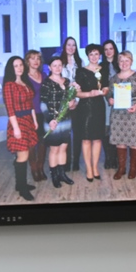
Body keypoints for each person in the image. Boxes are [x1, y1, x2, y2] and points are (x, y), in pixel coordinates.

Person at [3, 55, 40, 201]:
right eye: (16, 66)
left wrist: (34, 120)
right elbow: (10, 108)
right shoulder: (9, 85)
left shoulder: (25, 82)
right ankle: (22, 188)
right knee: (23, 155)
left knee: (26, 153)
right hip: (17, 121)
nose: (19, 68)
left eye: (21, 65)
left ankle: (20, 184)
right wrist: (16, 128)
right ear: (11, 69)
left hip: (28, 120)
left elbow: (31, 104)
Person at [108, 50, 136, 180]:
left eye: (127, 60)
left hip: (135, 113)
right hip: (118, 115)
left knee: (135, 141)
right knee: (120, 141)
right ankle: (121, 168)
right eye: (121, 61)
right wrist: (110, 100)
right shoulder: (113, 79)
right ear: (118, 62)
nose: (124, 63)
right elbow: (109, 94)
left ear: (131, 61)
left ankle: (133, 167)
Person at [73, 43, 109, 182]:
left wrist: (104, 90)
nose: (94, 57)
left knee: (98, 138)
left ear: (100, 55)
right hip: (85, 108)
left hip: (99, 106)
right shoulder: (81, 71)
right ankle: (88, 168)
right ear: (87, 56)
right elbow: (77, 93)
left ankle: (95, 167)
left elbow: (106, 86)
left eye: (96, 54)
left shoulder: (103, 69)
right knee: (86, 139)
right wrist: (90, 94)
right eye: (91, 54)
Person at [40, 55, 77, 188]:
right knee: (54, 149)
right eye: (54, 65)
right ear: (49, 68)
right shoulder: (46, 83)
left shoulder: (67, 81)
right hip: (52, 121)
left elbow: (71, 100)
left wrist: (73, 103)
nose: (57, 68)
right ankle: (54, 176)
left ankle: (62, 174)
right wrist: (50, 120)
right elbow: (42, 103)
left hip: (66, 120)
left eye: (59, 65)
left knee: (63, 148)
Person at [24, 50, 47, 183]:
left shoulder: (43, 75)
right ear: (27, 61)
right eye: (32, 58)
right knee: (31, 142)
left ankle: (40, 167)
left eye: (38, 58)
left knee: (43, 141)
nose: (36, 61)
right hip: (30, 113)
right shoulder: (24, 78)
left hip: (43, 113)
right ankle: (34, 169)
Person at [61, 37, 83, 172]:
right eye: (68, 45)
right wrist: (67, 101)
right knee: (66, 134)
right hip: (64, 104)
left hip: (78, 103)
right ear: (64, 46)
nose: (71, 47)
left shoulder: (80, 62)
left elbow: (83, 84)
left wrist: (76, 101)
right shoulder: (59, 63)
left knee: (78, 134)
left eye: (73, 45)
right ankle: (67, 161)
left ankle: (75, 162)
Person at [101, 39, 121, 170]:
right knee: (106, 130)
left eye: (111, 48)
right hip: (105, 102)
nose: (108, 51)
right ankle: (108, 158)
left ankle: (116, 158)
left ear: (115, 49)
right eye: (106, 49)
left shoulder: (120, 64)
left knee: (117, 129)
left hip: (120, 101)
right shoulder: (100, 67)